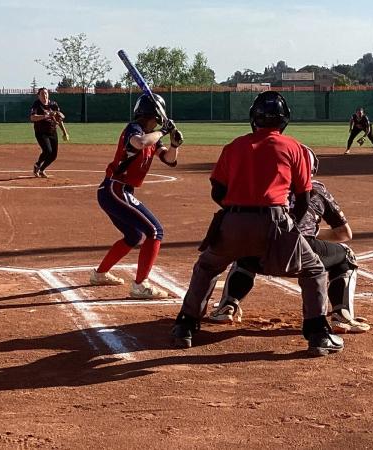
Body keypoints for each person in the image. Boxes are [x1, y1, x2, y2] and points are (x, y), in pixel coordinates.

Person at [170, 91, 343, 357]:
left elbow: (217, 190)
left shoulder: (234, 146)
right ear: (284, 120)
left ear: (254, 118)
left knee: (207, 266)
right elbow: (304, 198)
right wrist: (290, 227)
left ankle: (185, 326)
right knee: (314, 270)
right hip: (275, 221)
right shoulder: (293, 147)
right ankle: (318, 333)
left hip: (233, 221)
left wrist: (235, 211)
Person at [210, 145, 370, 334]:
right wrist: (310, 233)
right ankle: (342, 315)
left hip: (261, 257)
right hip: (303, 256)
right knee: (347, 256)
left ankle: (227, 306)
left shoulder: (264, 186)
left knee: (248, 243)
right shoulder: (317, 189)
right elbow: (344, 234)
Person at [89, 93, 184, 299]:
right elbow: (140, 142)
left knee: (133, 236)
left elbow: (169, 160)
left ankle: (99, 274)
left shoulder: (152, 136)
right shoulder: (135, 129)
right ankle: (140, 285)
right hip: (115, 190)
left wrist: (174, 145)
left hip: (119, 192)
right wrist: (163, 131)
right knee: (155, 231)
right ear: (154, 116)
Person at [29, 87, 65, 178]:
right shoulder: (36, 104)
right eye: (42, 94)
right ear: (38, 96)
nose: (44, 95)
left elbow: (59, 119)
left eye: (46, 93)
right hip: (41, 132)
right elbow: (32, 118)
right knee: (47, 151)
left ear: (48, 94)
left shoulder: (53, 104)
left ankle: (41, 170)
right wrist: (45, 116)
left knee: (53, 155)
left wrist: (64, 132)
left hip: (52, 131)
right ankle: (37, 165)